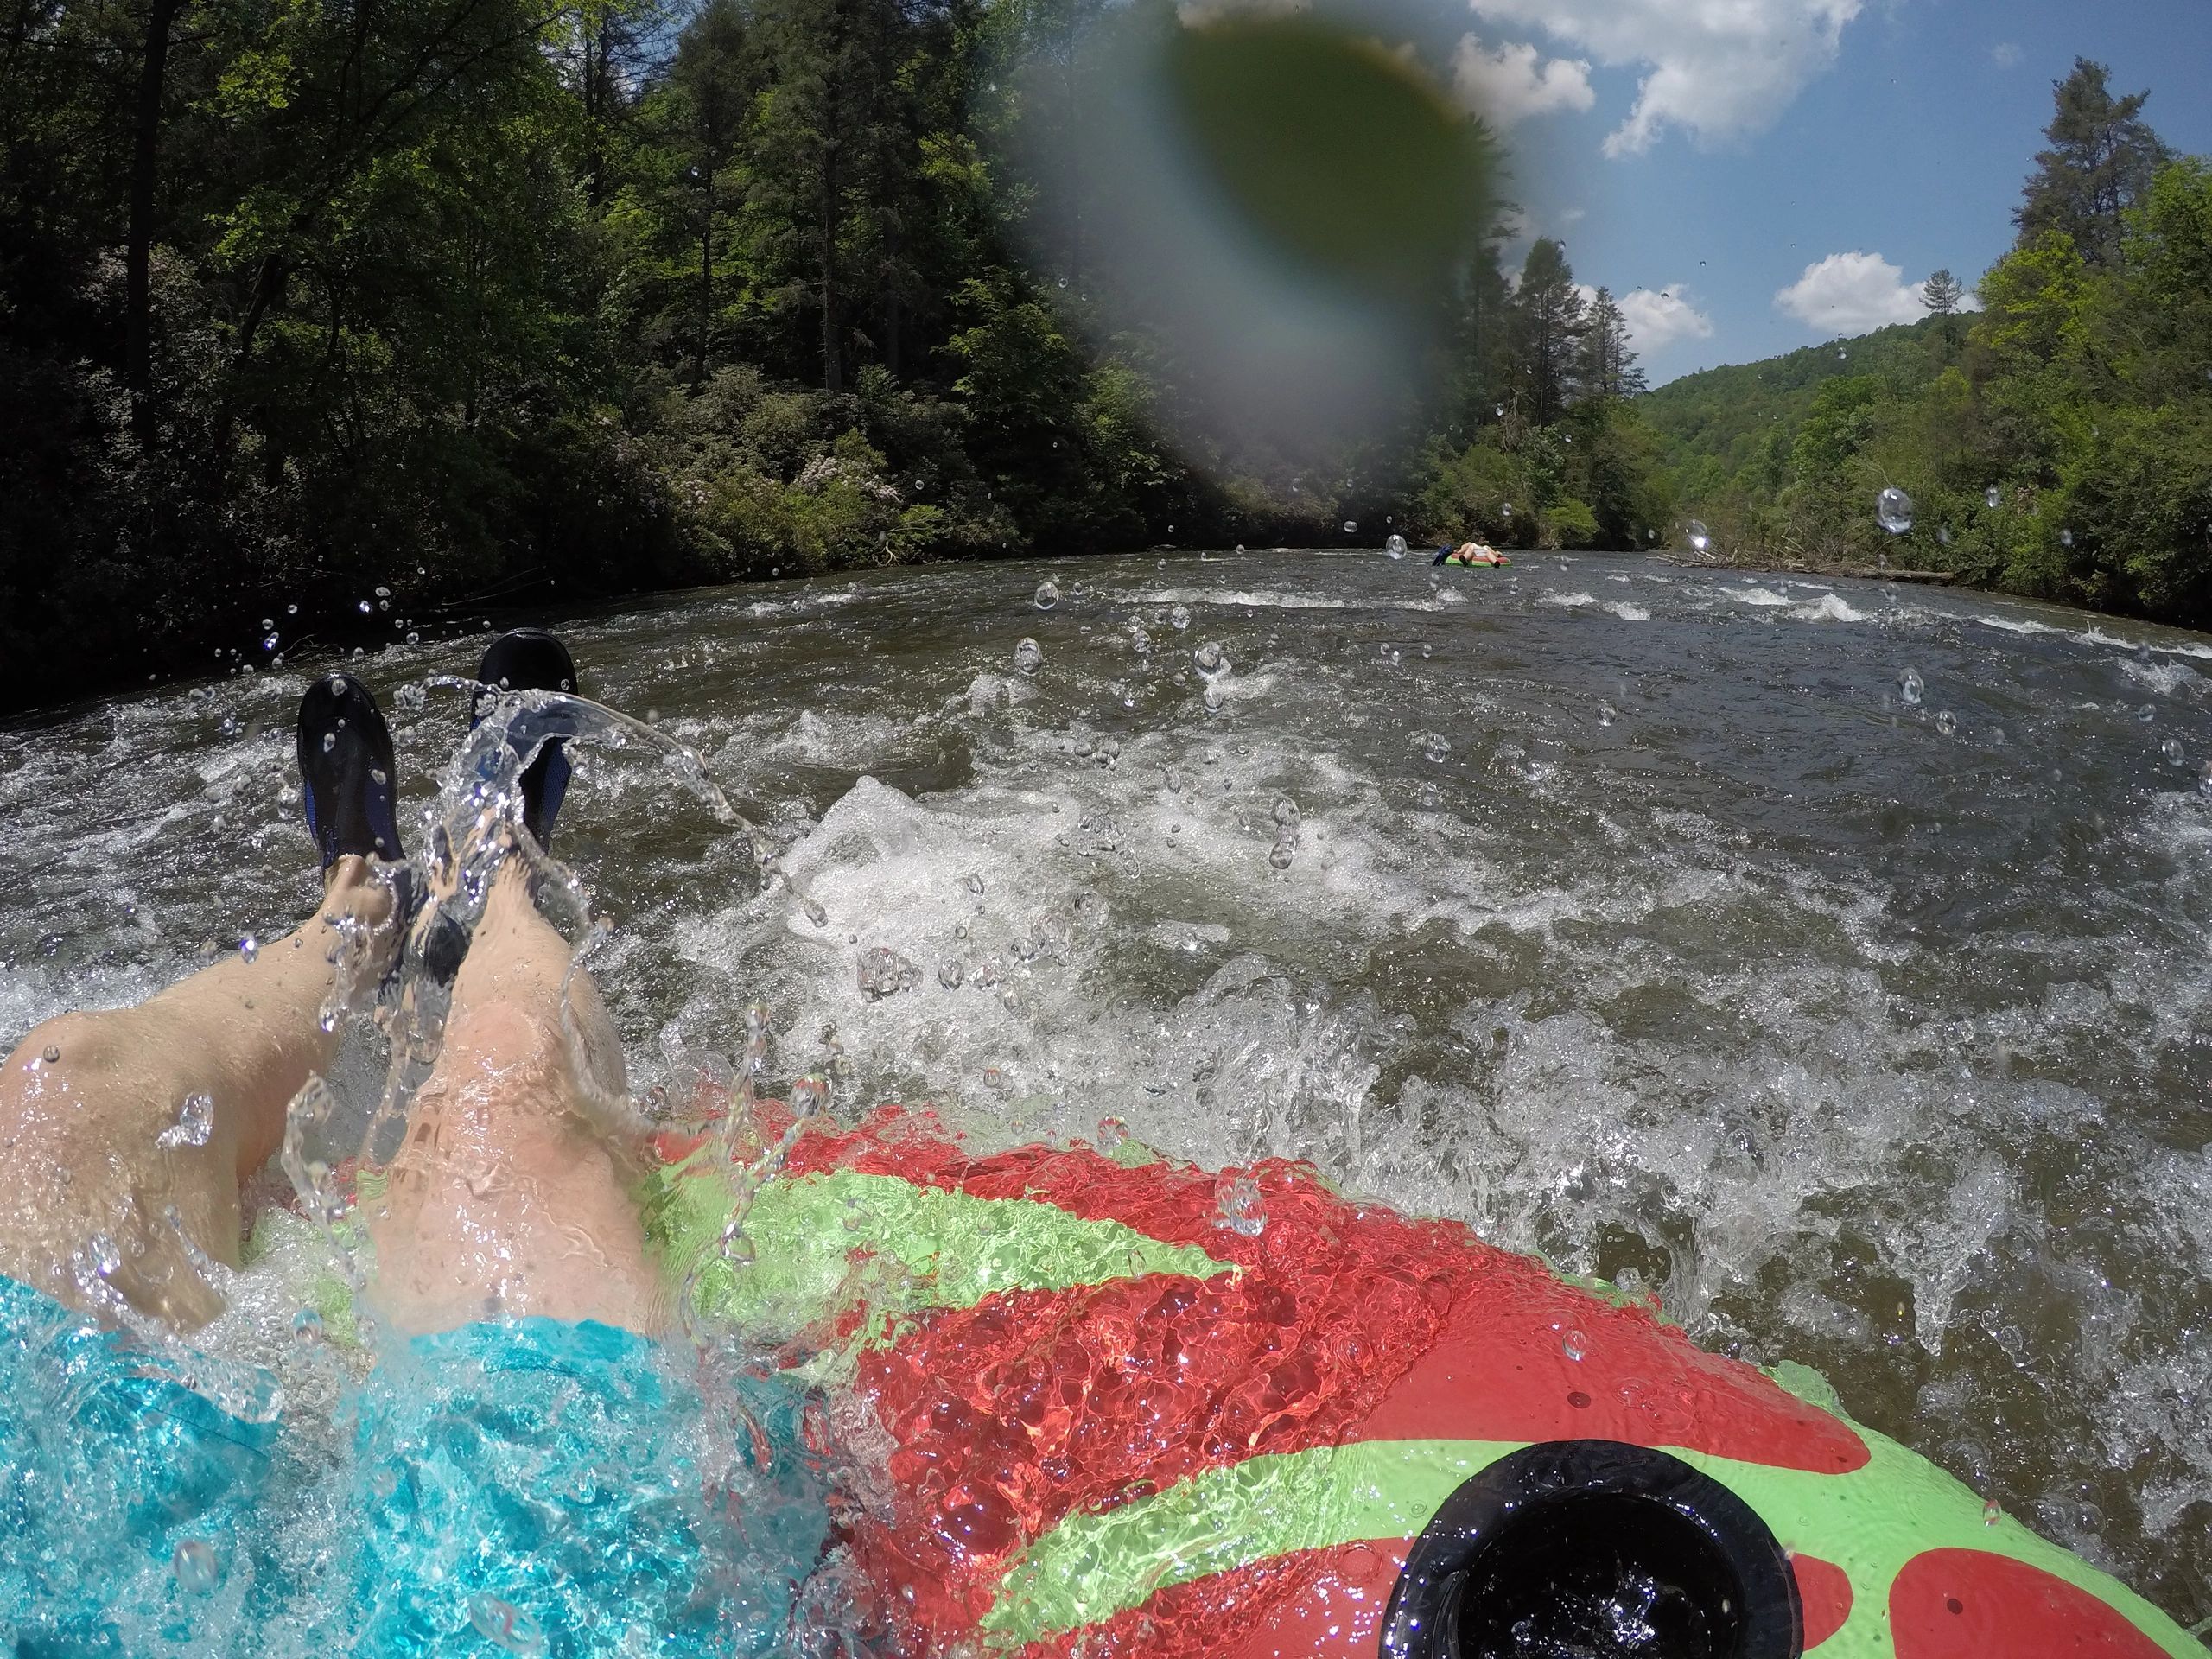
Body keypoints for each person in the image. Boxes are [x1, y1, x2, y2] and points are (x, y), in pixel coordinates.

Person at [0, 632, 826, 1655]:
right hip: (515, 1600)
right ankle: (497, 884)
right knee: (503, 1089)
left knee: (66, 1082)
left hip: (64, 1538)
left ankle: (360, 910)